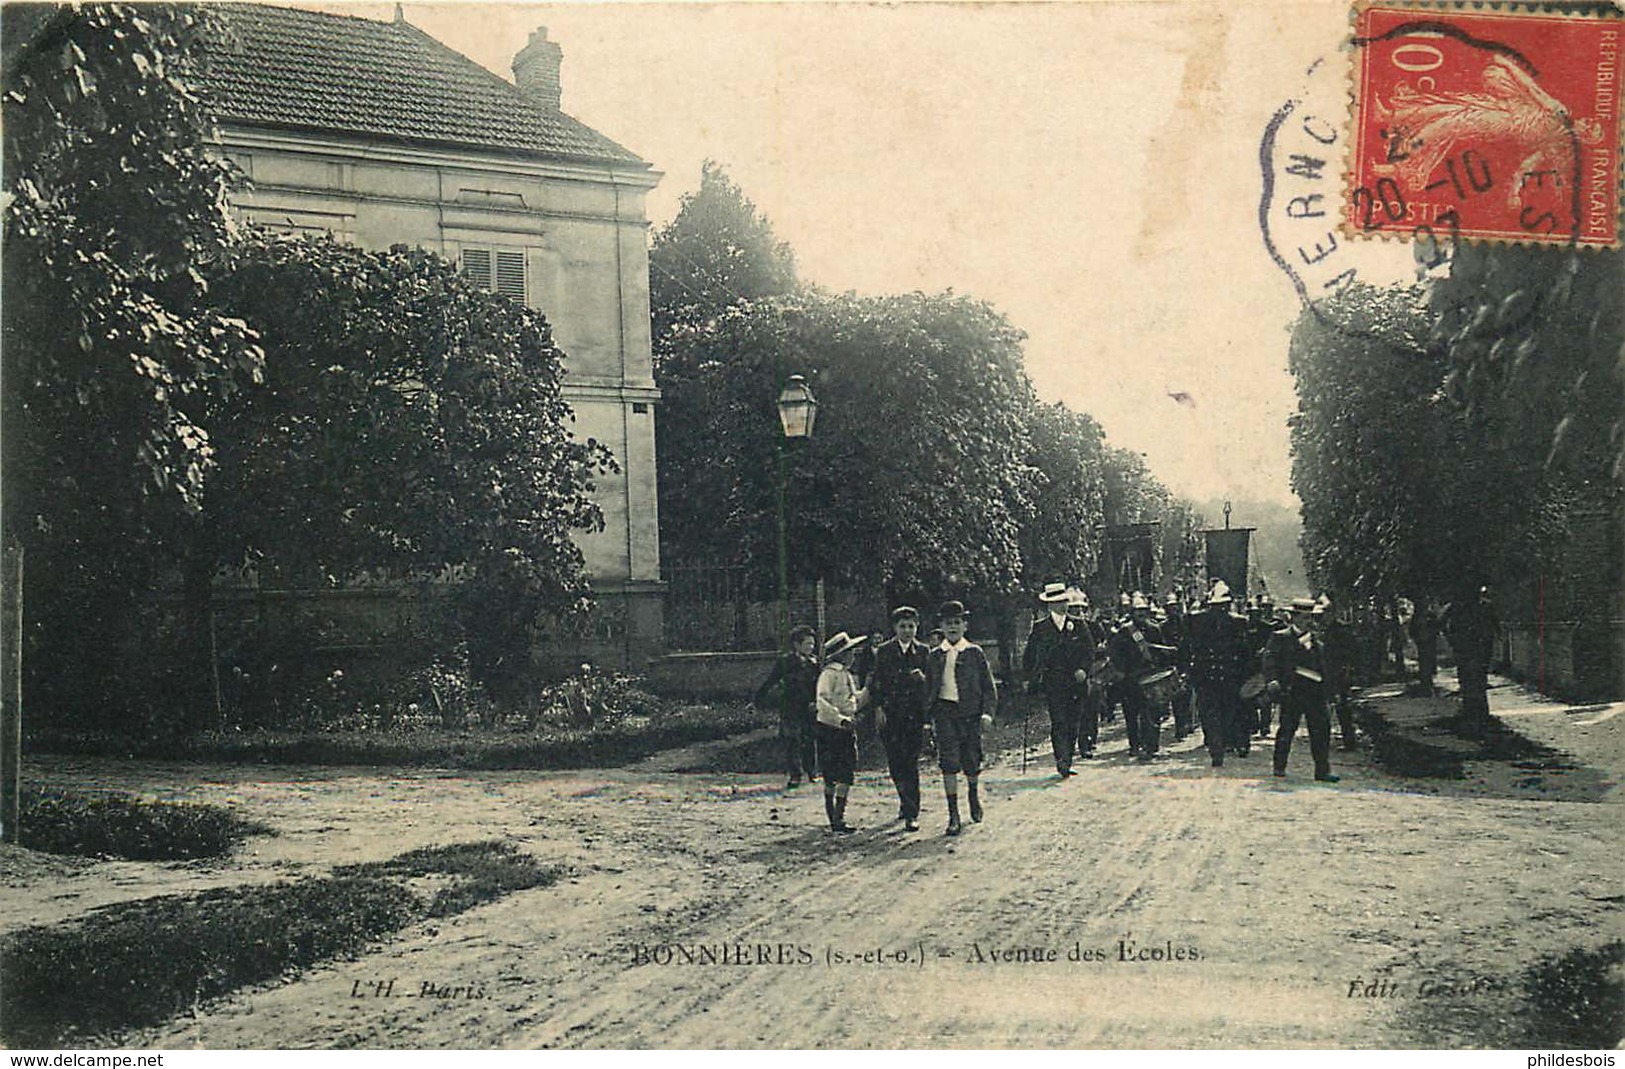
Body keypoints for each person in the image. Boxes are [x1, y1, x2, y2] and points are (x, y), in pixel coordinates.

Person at [926, 600, 997, 836]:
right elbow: (929, 689)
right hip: (945, 713)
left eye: (957, 622)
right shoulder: (935, 655)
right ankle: (953, 814)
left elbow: (988, 688)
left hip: (970, 714)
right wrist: (928, 718)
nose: (953, 627)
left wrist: (987, 713)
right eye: (948, 623)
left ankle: (973, 795)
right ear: (941, 627)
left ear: (965, 625)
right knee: (948, 762)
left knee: (971, 760)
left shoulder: (975, 653)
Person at [869, 605, 932, 831]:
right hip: (891, 715)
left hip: (914, 716)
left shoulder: (924, 652)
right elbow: (876, 684)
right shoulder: (884, 651)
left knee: (911, 762)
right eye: (902, 626)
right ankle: (904, 802)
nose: (907, 630)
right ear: (895, 628)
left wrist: (923, 678)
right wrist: (877, 709)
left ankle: (911, 812)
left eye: (911, 626)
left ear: (917, 627)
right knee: (896, 763)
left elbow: (931, 686)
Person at [1265, 598, 1339, 783]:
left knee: (1321, 731)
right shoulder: (1280, 637)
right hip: (1292, 692)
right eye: (1305, 618)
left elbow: (1325, 668)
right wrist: (1272, 680)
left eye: (1312, 618)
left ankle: (1322, 771)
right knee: (1287, 730)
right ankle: (1279, 766)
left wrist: (1330, 693)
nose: (1310, 622)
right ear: (1294, 618)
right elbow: (1269, 660)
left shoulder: (1317, 640)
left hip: (1315, 692)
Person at [1022, 582, 1090, 777]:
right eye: (1058, 602)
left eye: (1064, 601)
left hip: (1076, 682)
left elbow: (1088, 650)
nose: (1063, 605)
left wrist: (1083, 669)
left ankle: (1067, 755)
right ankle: (1062, 761)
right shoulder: (1040, 628)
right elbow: (1030, 655)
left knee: (1073, 722)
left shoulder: (1078, 625)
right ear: (1050, 605)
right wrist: (1028, 677)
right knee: (1059, 721)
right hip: (1054, 682)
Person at [815, 631, 870, 834]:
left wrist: (868, 690)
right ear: (841, 655)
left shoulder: (846, 674)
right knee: (831, 771)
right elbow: (823, 701)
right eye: (850, 652)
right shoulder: (829, 674)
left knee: (847, 770)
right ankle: (833, 818)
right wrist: (840, 719)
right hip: (830, 729)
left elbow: (853, 699)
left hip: (846, 728)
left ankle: (839, 814)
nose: (853, 655)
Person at [1187, 581, 1246, 767]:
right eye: (1217, 606)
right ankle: (1217, 747)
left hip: (1224, 675)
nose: (1220, 609)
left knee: (1222, 712)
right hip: (1210, 675)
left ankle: (1220, 743)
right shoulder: (1197, 621)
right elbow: (1187, 647)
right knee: (1211, 712)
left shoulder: (1238, 622)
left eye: (1222, 606)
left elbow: (1245, 651)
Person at [754, 624, 820, 789]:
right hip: (791, 707)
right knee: (793, 740)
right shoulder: (786, 661)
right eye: (807, 644)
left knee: (809, 740)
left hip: (809, 708)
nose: (811, 647)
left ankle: (812, 772)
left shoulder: (814, 663)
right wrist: (759, 698)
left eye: (813, 644)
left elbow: (819, 685)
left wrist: (817, 701)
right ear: (797, 645)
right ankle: (795, 775)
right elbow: (772, 680)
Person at [1108, 593, 1164, 762]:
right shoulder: (1124, 632)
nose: (1141, 614)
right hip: (1130, 680)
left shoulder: (1155, 629)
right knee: (1131, 714)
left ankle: (1151, 745)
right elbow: (1114, 653)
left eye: (1143, 611)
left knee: (1153, 713)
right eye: (1137, 611)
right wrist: (1120, 671)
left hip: (1150, 678)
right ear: (1132, 613)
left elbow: (1160, 654)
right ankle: (1134, 745)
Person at [1443, 586, 1499, 734]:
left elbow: (1495, 624)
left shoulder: (1486, 606)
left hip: (1482, 645)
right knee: (1467, 677)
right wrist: (1452, 638)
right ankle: (1471, 713)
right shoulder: (1456, 606)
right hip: (1464, 646)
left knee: (1479, 677)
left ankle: (1481, 714)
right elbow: (1442, 623)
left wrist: (1494, 637)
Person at [1067, 588, 1108, 759]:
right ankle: (1070, 744)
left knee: (1091, 709)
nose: (1079, 613)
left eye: (1081, 609)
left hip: (1092, 673)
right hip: (1069, 676)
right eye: (1074, 609)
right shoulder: (1064, 628)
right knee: (1072, 711)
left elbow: (1104, 649)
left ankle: (1088, 741)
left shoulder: (1094, 627)